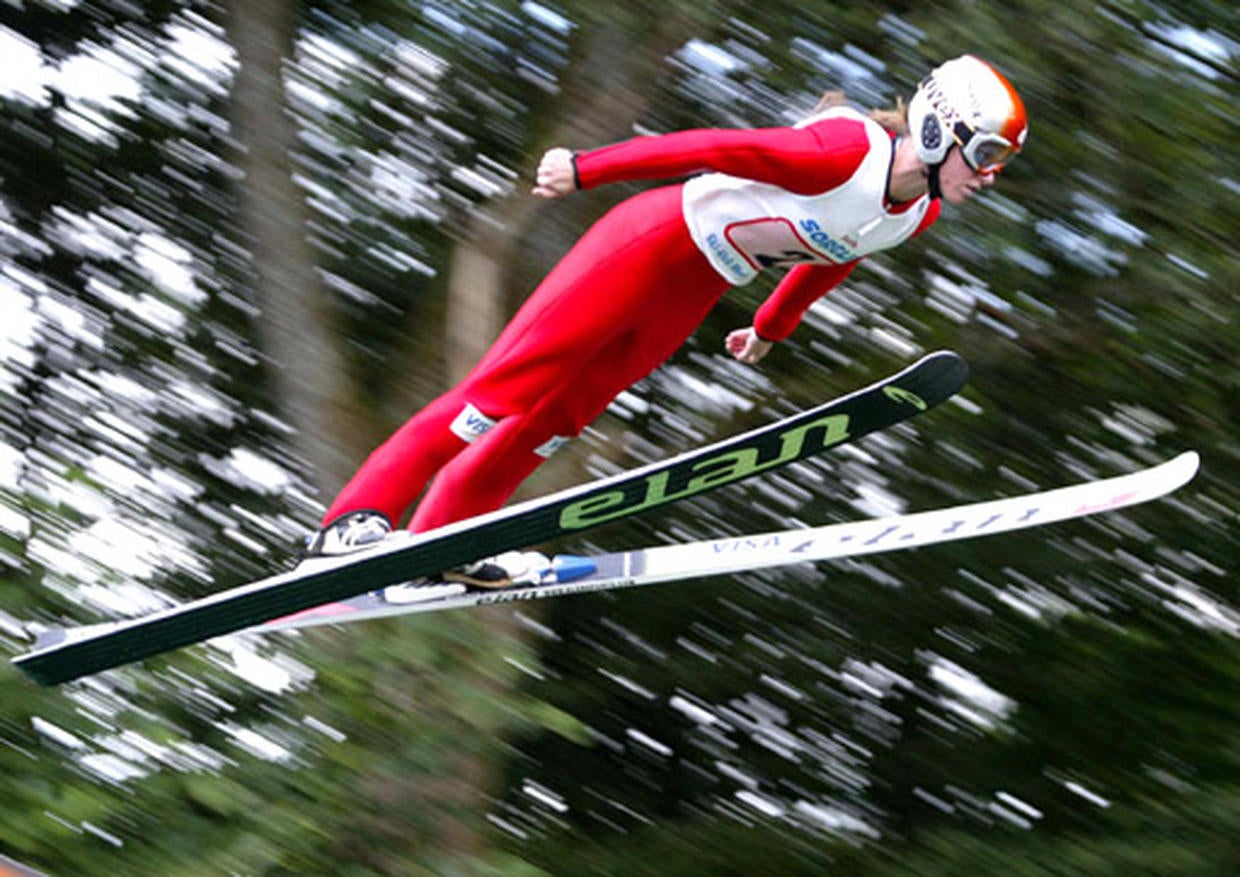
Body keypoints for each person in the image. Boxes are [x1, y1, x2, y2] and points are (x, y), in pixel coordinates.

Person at [302, 54, 1028, 587]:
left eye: (1002, 162)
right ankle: (351, 522)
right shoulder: (843, 154)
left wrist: (773, 325)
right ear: (939, 128)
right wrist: (588, 167)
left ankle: (446, 543)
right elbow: (713, 147)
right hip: (647, 246)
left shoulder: (917, 211)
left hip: (698, 285)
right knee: (503, 393)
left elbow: (838, 252)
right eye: (987, 152)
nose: (990, 173)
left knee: (560, 420)